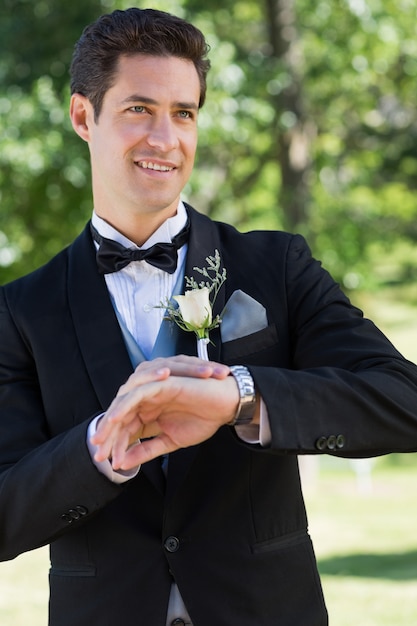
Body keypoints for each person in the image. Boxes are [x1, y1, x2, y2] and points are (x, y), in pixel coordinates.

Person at [1, 8, 417, 626]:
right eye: (139, 109)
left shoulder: (276, 266)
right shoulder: (21, 310)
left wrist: (243, 400)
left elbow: (402, 401)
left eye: (183, 113)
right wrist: (98, 449)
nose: (165, 140)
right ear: (83, 116)